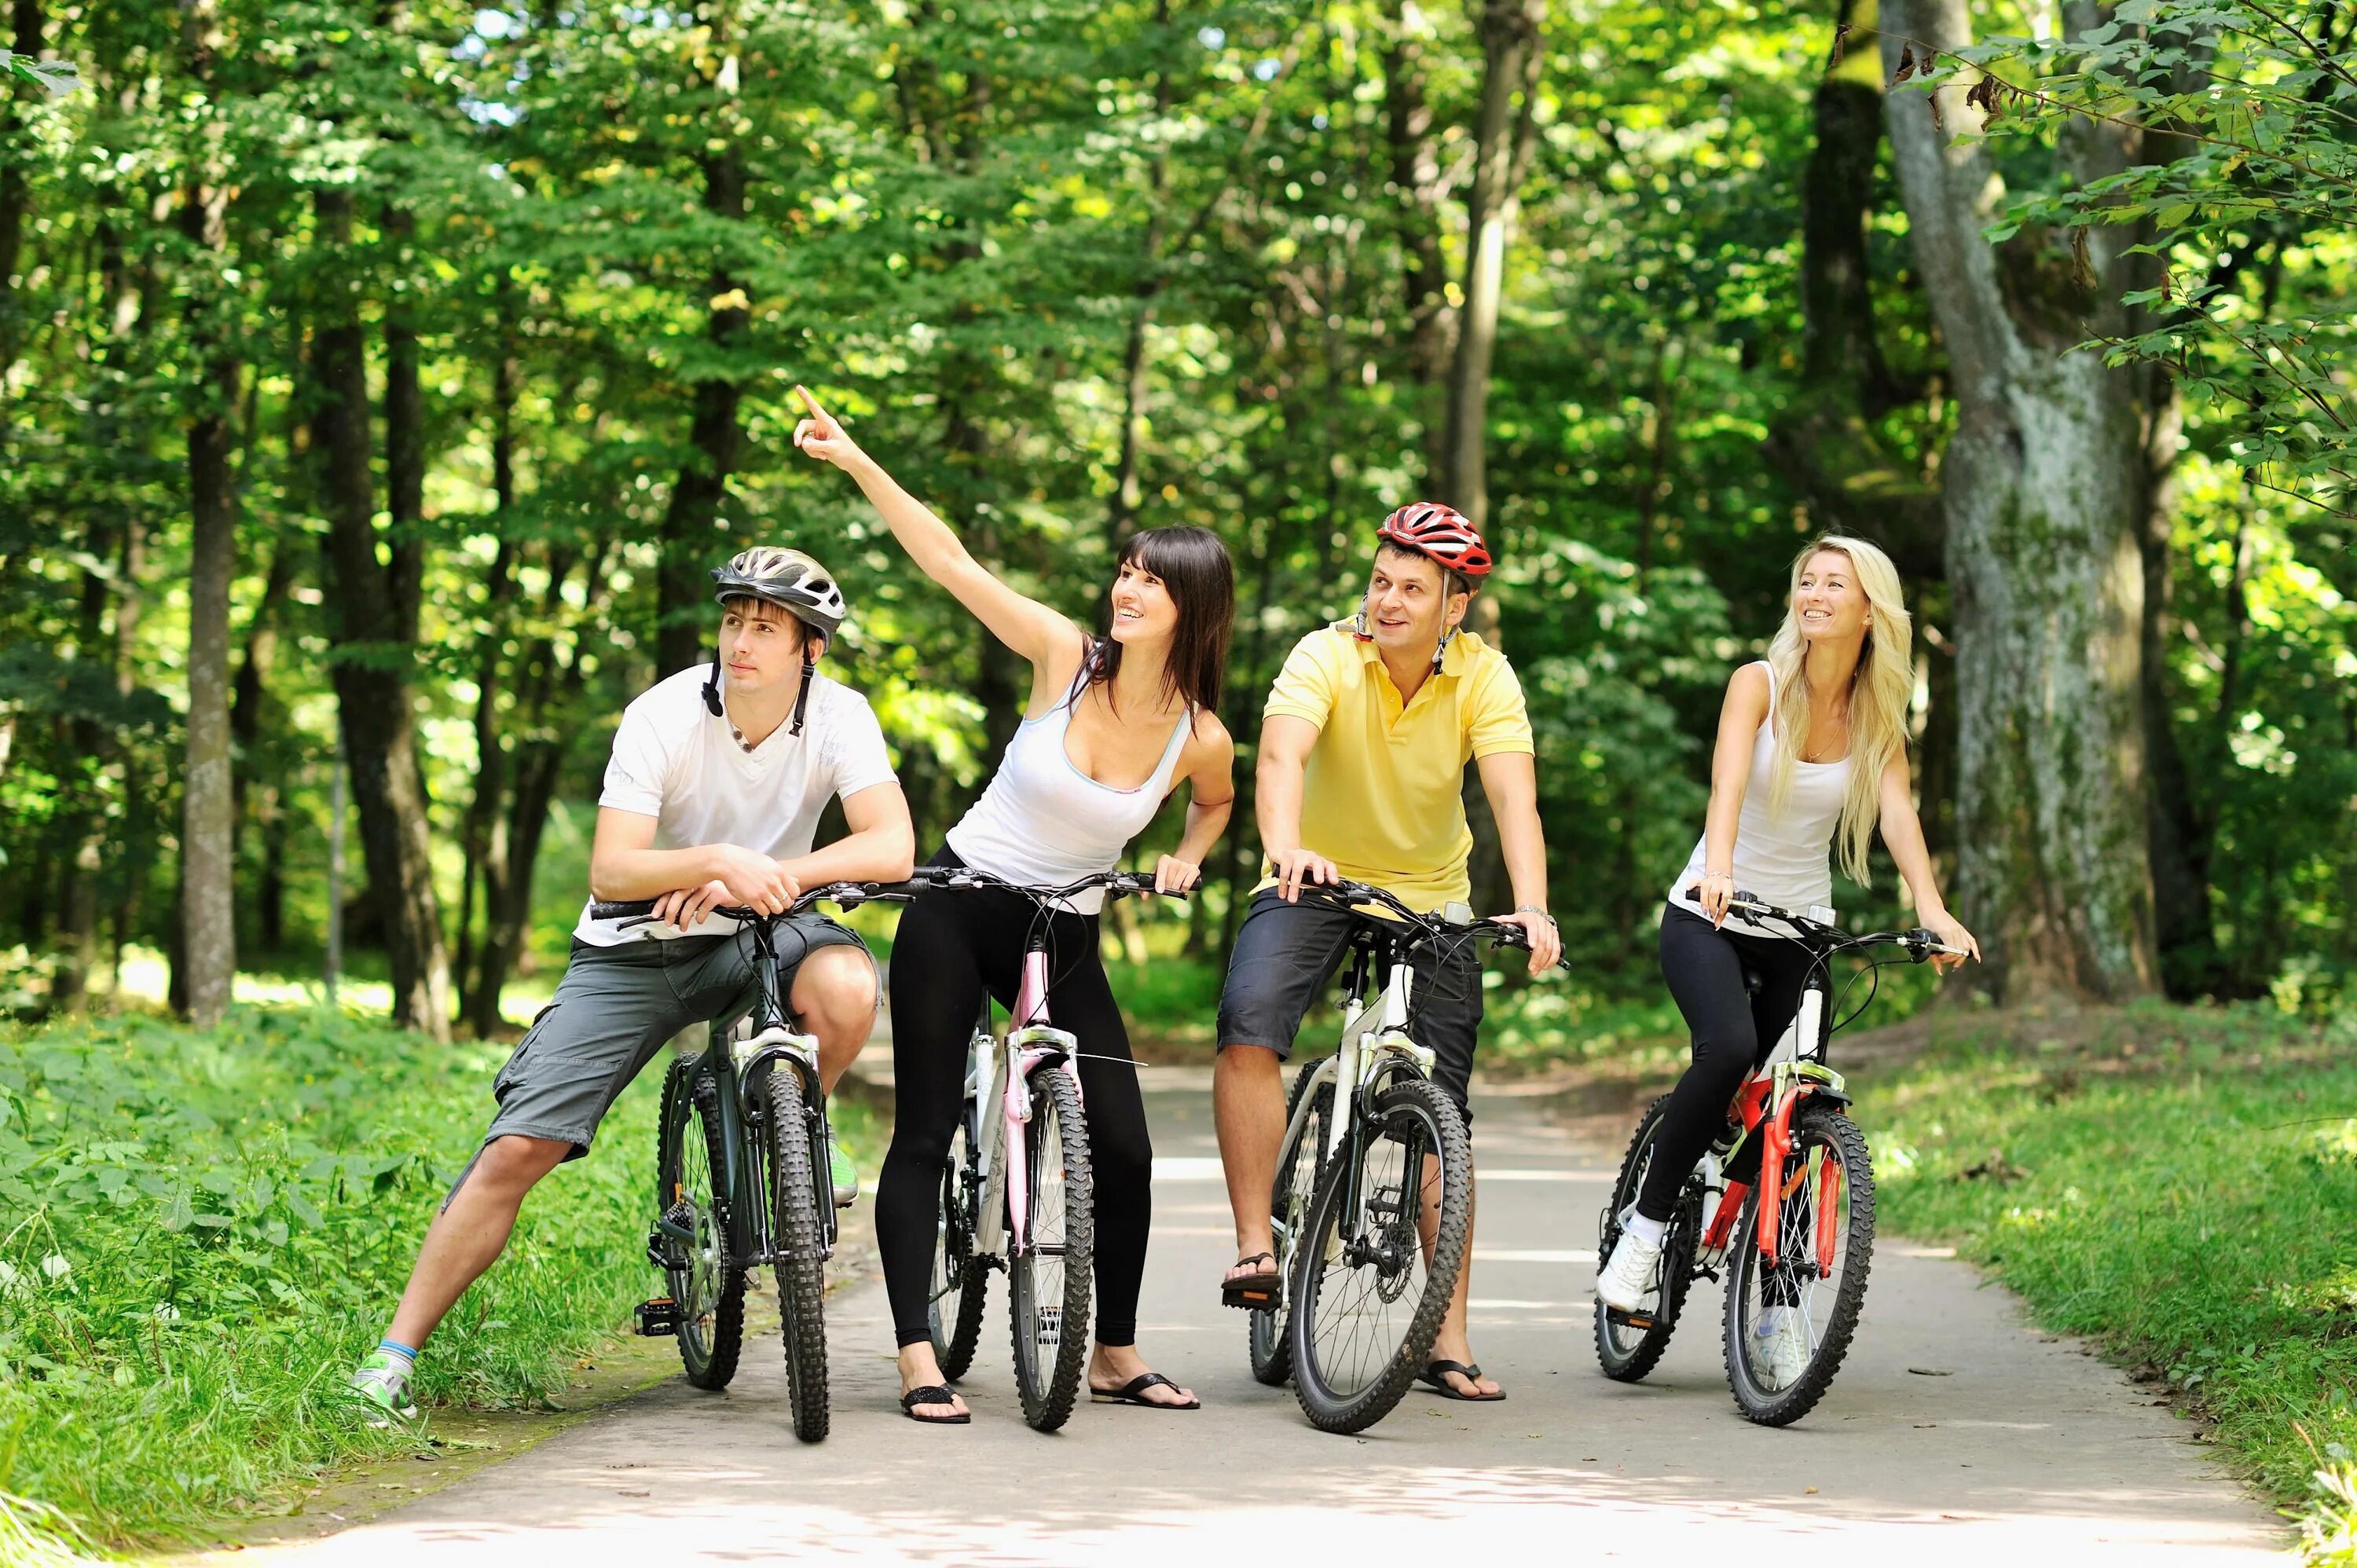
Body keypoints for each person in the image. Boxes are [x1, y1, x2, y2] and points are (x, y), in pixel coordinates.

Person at [343, 547, 916, 1427]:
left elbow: (891, 846)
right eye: (733, 620)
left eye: (765, 627)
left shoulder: (840, 716)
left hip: (761, 928)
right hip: (633, 948)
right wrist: (715, 859)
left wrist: (762, 876)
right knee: (517, 1150)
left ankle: (802, 1125)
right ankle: (390, 1359)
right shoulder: (664, 715)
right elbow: (614, 868)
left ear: (811, 649)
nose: (742, 641)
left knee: (844, 981)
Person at [790, 387, 1238, 1424]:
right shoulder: (1061, 656)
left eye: (1151, 580)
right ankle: (916, 1355)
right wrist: (859, 462)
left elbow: (1213, 807)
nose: (1127, 588)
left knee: (1125, 1147)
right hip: (959, 906)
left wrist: (1185, 855)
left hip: (1064, 930)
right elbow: (949, 562)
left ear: (1193, 607)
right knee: (925, 1131)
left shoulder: (1198, 733)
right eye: (1126, 570)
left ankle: (1114, 1351)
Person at [1592, 534, 1979, 1379]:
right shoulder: (1758, 684)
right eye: (1806, 578)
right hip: (1710, 913)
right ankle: (1646, 1233)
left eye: (1834, 582)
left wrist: (1932, 908)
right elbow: (1726, 782)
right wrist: (1720, 866)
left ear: (1868, 607)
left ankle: (1773, 1312)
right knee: (1729, 1049)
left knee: (1794, 1110)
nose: (1814, 592)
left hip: (1801, 930)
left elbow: (1898, 817)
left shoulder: (1879, 716)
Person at [1211, 502, 1562, 1404]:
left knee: (1447, 1110)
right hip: (1314, 875)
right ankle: (1258, 1243)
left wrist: (1531, 904)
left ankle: (1447, 1336)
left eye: (1414, 588)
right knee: (1250, 1024)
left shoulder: (1484, 676)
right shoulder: (1327, 652)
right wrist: (1286, 846)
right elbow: (1280, 759)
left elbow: (1514, 800)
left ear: (1456, 607)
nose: (1390, 601)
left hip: (1431, 894)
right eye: (1381, 581)